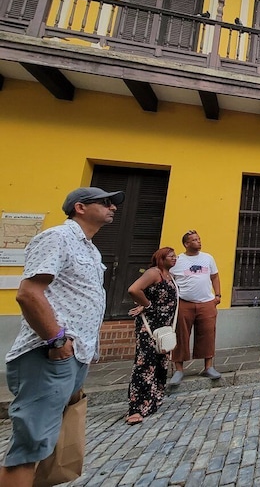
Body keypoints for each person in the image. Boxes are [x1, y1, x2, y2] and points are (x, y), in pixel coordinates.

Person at [0, 187, 124, 487]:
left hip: (73, 355)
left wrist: (86, 348)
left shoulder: (91, 249)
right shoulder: (57, 237)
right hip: (49, 354)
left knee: (49, 441)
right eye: (106, 202)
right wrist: (56, 340)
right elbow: (29, 294)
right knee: (30, 445)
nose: (113, 208)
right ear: (80, 207)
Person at [125, 247, 179, 425]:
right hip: (150, 327)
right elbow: (134, 289)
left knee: (160, 362)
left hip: (164, 327)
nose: (174, 258)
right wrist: (146, 305)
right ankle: (137, 407)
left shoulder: (169, 276)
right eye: (171, 256)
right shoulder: (153, 273)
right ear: (160, 258)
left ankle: (154, 399)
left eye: (175, 256)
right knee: (145, 364)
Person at [169, 230, 221, 385]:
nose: (198, 241)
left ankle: (208, 367)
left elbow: (215, 276)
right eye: (194, 240)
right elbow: (169, 279)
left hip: (207, 302)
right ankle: (179, 369)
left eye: (199, 239)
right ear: (186, 244)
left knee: (208, 334)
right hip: (185, 302)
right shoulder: (178, 261)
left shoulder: (208, 258)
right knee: (181, 335)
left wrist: (218, 295)